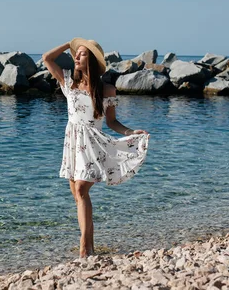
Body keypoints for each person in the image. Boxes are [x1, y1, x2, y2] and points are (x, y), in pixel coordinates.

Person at [42, 38, 150, 258]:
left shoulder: (107, 90)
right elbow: (47, 58)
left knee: (82, 190)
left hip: (92, 143)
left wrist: (130, 133)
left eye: (82, 54)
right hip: (72, 142)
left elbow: (111, 122)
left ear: (91, 59)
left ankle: (83, 247)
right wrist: (69, 44)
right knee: (78, 196)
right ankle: (90, 247)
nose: (76, 57)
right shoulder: (68, 83)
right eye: (76, 53)